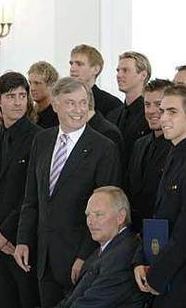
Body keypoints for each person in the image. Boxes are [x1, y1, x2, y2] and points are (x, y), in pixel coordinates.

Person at [14, 77, 121, 308]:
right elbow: (32, 199)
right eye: (71, 103)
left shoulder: (104, 148)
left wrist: (85, 255)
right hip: (44, 259)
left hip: (80, 261)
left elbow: (105, 212)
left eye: (83, 103)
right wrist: (23, 240)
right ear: (55, 104)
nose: (79, 110)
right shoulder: (41, 140)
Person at [134, 85, 186, 308]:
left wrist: (157, 274)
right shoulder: (176, 154)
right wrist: (142, 260)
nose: (163, 118)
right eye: (162, 111)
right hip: (164, 269)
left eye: (172, 112)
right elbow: (159, 215)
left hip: (183, 279)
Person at [0, 72, 41, 308]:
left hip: (23, 243)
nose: (17, 102)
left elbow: (31, 195)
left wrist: (4, 232)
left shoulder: (40, 139)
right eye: (11, 96)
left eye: (22, 96)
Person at [55, 186, 145, 308]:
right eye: (88, 215)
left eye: (98, 214)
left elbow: (90, 303)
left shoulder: (123, 256)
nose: (90, 222)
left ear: (120, 217)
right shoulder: (105, 248)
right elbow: (71, 299)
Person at [125, 79, 173, 233]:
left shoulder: (177, 147)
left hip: (164, 232)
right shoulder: (140, 144)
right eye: (147, 104)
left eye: (158, 105)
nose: (151, 111)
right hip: (135, 230)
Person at [107, 51, 151, 159]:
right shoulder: (113, 115)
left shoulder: (150, 114)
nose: (119, 75)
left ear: (143, 75)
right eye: (118, 70)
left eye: (125, 70)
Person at [70, 44, 122, 116]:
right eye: (71, 64)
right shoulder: (62, 100)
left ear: (96, 69)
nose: (72, 69)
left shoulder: (111, 104)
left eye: (79, 64)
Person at [28, 61, 60, 128]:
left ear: (51, 84)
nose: (32, 88)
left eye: (37, 83)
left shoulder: (58, 115)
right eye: (30, 83)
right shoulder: (28, 113)